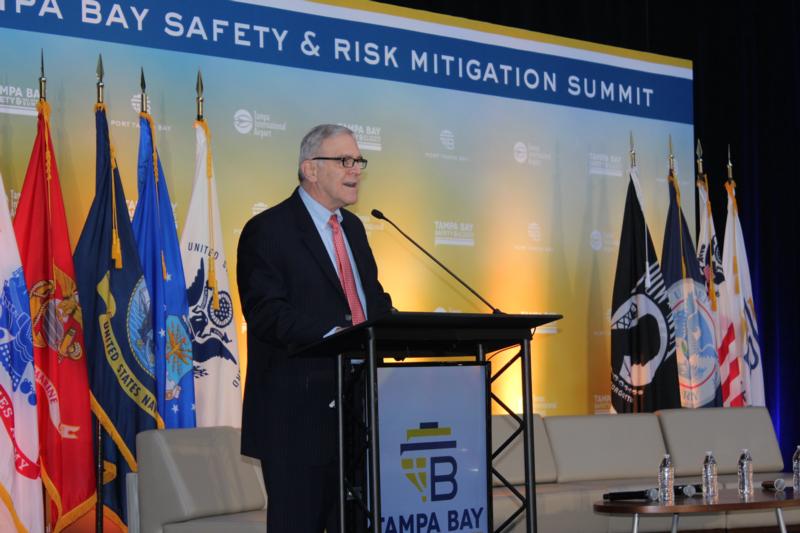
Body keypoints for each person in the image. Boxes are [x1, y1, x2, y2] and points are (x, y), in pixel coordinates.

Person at [237, 124, 393, 532]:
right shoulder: (268, 230)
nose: (356, 169)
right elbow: (267, 313)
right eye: (344, 160)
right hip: (297, 420)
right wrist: (335, 336)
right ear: (310, 169)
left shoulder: (354, 229)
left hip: (359, 415)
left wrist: (398, 328)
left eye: (358, 160)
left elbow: (372, 301)